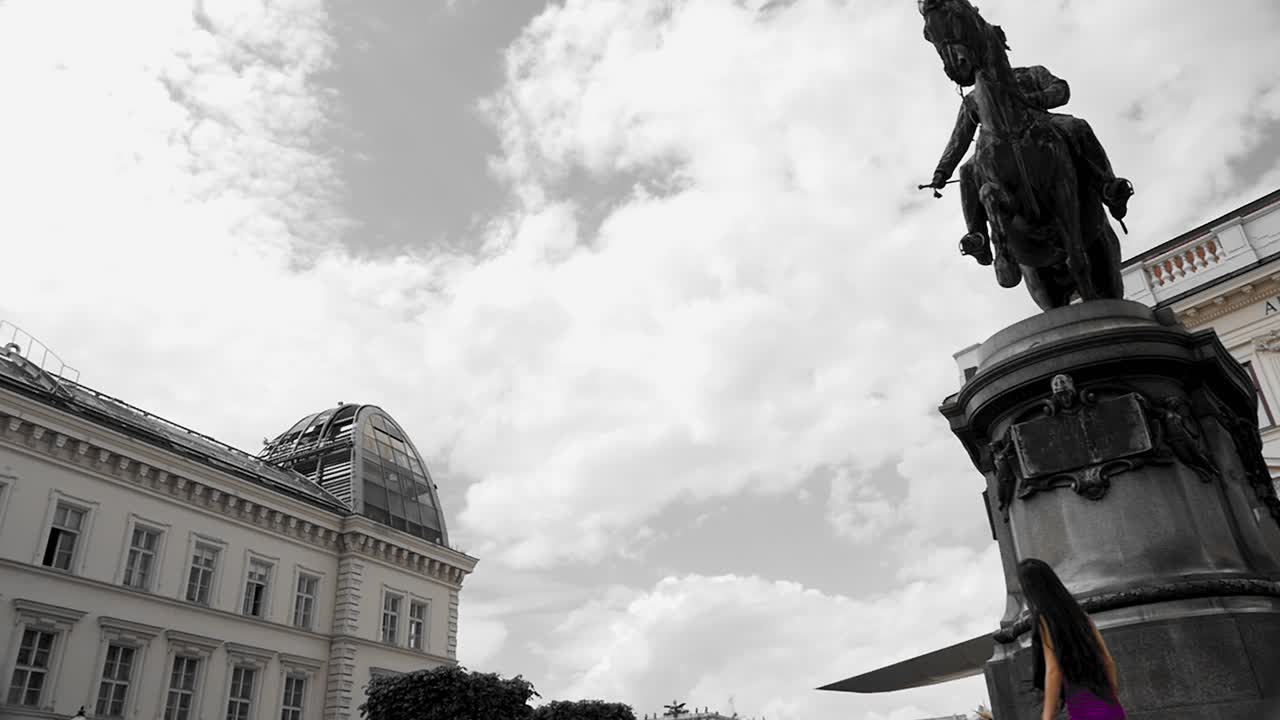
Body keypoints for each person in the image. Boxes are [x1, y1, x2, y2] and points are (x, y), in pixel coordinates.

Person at [929, 65, 1134, 289]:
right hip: (994, 147)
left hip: (1042, 125)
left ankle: (1108, 188)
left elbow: (1061, 90)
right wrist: (942, 171)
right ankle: (979, 237)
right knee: (968, 170)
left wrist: (1030, 100)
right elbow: (959, 138)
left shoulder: (1031, 73)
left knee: (1077, 127)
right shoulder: (973, 98)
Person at [1017, 558, 1126, 720]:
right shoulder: (1081, 615)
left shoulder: (1045, 619)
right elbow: (1108, 660)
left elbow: (1054, 670)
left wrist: (1047, 716)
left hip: (1084, 709)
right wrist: (1111, 697)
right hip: (1111, 707)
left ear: (1029, 588)